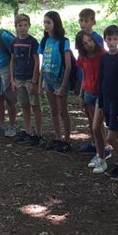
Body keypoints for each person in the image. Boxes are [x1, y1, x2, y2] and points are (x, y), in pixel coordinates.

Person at [97, 25, 118, 179]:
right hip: (106, 101)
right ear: (105, 39)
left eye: (114, 39)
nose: (111, 42)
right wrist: (100, 103)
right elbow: (101, 80)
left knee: (110, 137)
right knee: (117, 134)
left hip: (117, 103)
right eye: (109, 39)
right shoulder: (104, 58)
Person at [75, 30, 110, 173]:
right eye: (84, 43)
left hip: (100, 94)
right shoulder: (82, 56)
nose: (88, 44)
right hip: (88, 92)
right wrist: (81, 94)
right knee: (94, 124)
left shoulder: (103, 54)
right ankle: (100, 151)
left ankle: (104, 154)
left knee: (98, 126)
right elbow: (84, 75)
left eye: (89, 40)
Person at [38, 10, 72, 152]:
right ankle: (58, 138)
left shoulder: (64, 41)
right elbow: (43, 64)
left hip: (59, 79)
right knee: (53, 111)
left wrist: (63, 86)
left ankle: (67, 140)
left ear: (56, 23)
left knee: (63, 111)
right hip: (47, 79)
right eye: (44, 22)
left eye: (48, 22)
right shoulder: (44, 41)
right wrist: (39, 84)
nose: (46, 25)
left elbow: (68, 66)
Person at [9, 13, 43, 145]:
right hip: (19, 78)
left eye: (25, 25)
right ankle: (28, 132)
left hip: (30, 79)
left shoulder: (32, 42)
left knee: (35, 106)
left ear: (29, 26)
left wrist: (35, 81)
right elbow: (12, 61)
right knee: (24, 105)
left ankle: (39, 134)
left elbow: (37, 61)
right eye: (20, 25)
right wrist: (12, 79)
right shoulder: (14, 42)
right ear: (16, 27)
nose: (22, 28)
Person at [76, 7, 105, 154]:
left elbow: (101, 61)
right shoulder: (80, 38)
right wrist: (81, 91)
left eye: (86, 20)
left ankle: (103, 147)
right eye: (81, 20)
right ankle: (94, 144)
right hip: (86, 84)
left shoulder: (96, 39)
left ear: (93, 22)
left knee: (97, 121)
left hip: (97, 87)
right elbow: (82, 64)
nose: (83, 23)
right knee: (89, 116)